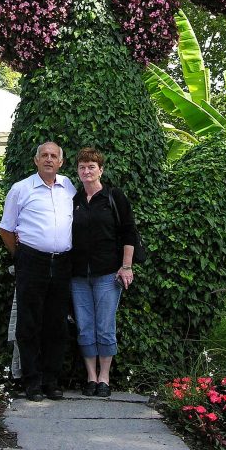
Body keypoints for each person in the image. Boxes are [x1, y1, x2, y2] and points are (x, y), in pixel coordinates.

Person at [0, 141, 75, 402]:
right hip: (31, 261)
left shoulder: (69, 188)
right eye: (44, 155)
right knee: (29, 322)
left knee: (57, 324)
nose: (49, 159)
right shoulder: (21, 189)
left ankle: (51, 381)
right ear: (36, 160)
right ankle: (31, 381)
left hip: (63, 262)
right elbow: (6, 229)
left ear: (61, 162)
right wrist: (20, 257)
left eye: (54, 156)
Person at [69, 147, 138, 398]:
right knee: (85, 327)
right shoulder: (74, 200)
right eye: (82, 167)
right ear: (77, 171)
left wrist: (127, 265)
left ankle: (104, 378)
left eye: (91, 167)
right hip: (78, 275)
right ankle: (90, 376)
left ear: (101, 170)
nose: (87, 171)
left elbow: (129, 232)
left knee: (105, 327)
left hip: (108, 274)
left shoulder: (113, 197)